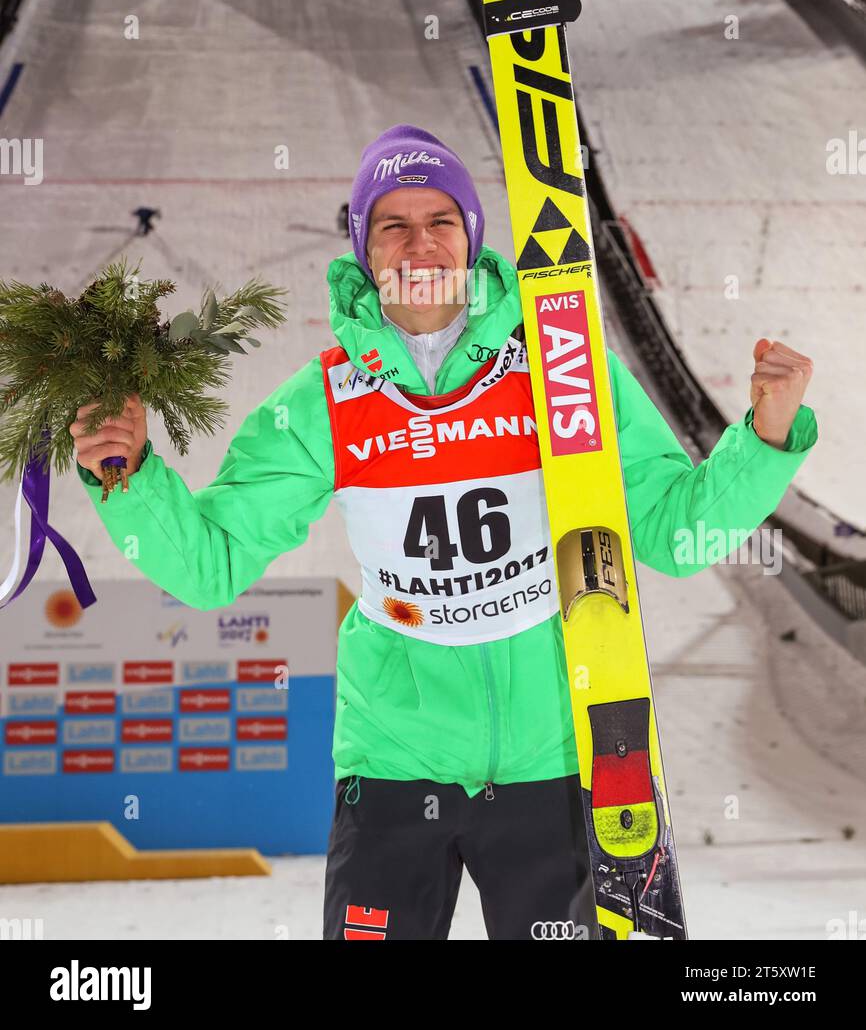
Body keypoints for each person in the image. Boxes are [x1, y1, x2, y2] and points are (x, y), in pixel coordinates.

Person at [72, 124, 818, 940]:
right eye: (392, 225)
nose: (419, 244)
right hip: (394, 759)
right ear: (364, 248)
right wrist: (129, 477)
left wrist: (766, 437)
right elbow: (211, 568)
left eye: (441, 222)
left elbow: (679, 535)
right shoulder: (322, 402)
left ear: (472, 237)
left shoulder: (561, 368)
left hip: (556, 758)